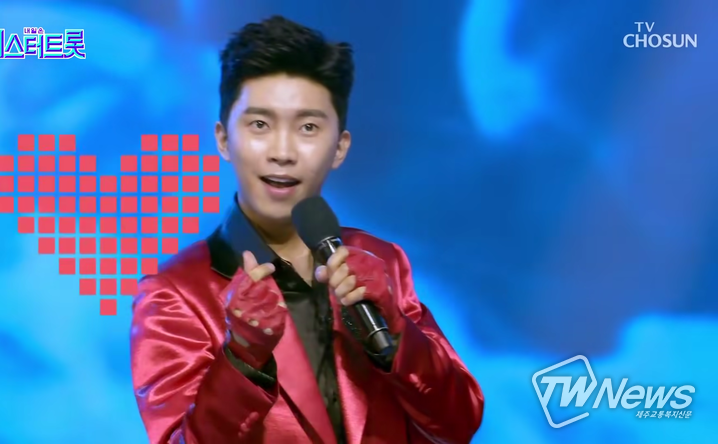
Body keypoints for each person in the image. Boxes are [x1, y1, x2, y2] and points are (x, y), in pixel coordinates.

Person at [130, 15, 484, 444]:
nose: (283, 152)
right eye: (260, 125)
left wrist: (395, 330)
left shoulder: (380, 261)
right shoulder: (175, 292)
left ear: (340, 148)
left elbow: (458, 421)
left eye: (308, 128)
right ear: (223, 139)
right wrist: (243, 359)